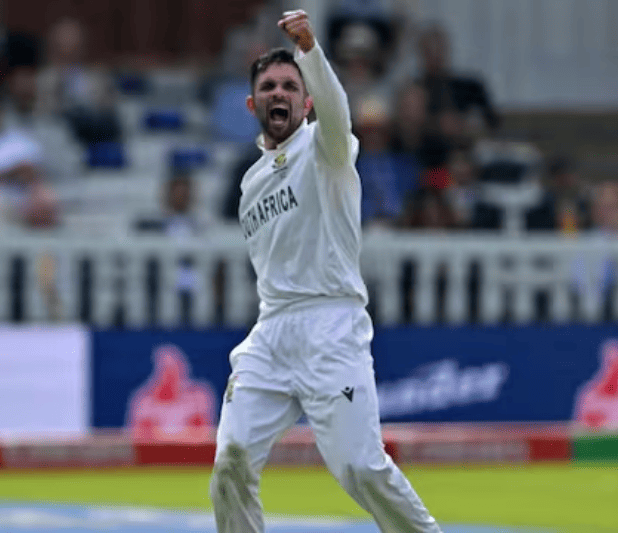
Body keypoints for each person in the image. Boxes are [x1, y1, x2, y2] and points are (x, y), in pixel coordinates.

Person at [209, 10, 441, 533]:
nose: (279, 93)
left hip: (331, 326)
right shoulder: (248, 184)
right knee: (230, 462)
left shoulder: (326, 149)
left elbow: (338, 113)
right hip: (270, 333)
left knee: (360, 467)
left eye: (290, 85)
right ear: (253, 104)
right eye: (268, 86)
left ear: (306, 100)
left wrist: (310, 51)